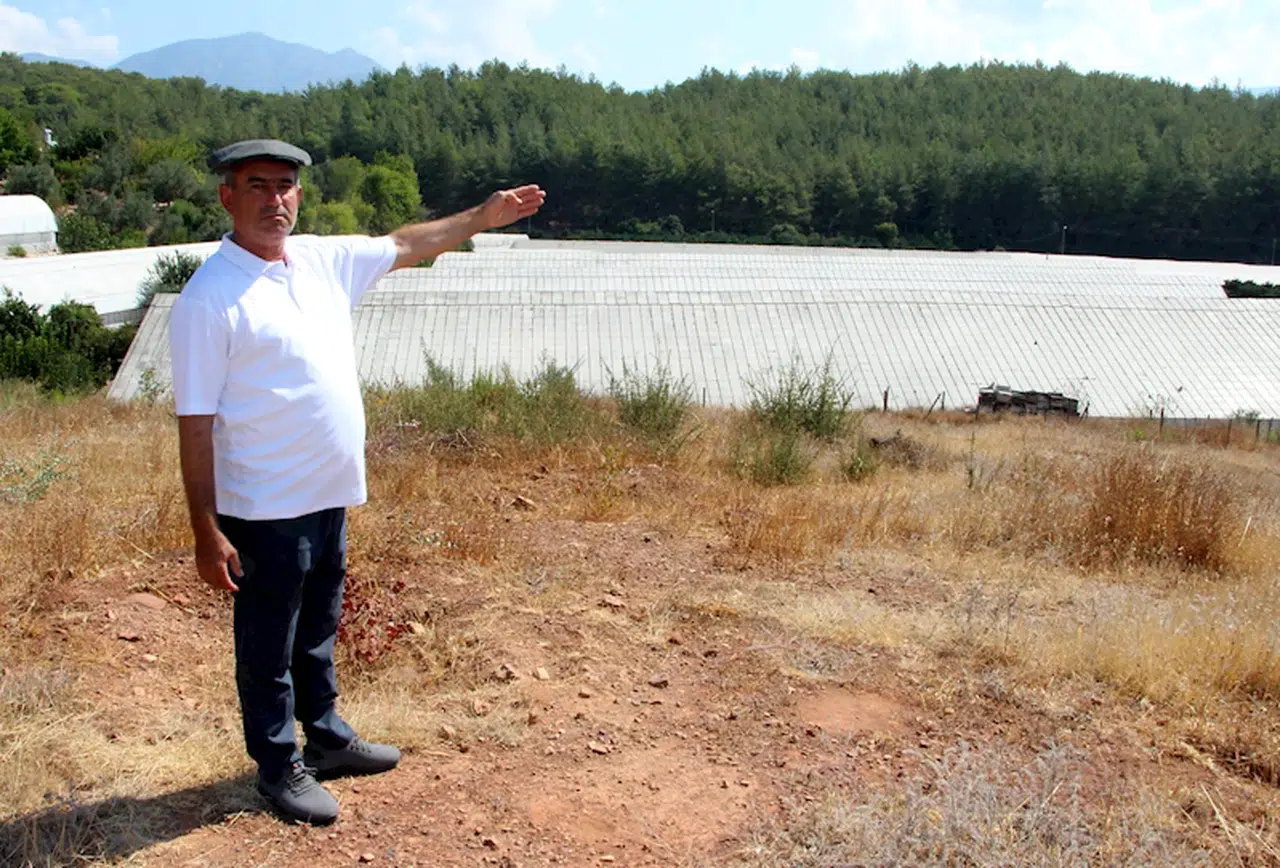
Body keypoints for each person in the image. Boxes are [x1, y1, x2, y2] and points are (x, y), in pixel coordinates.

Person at [169, 138, 546, 825]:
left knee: (317, 626)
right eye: (257, 185)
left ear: (299, 196)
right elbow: (194, 425)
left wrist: (481, 217)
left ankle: (328, 738)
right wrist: (204, 528)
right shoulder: (208, 298)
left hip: (326, 493)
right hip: (264, 507)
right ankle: (278, 768)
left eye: (285, 186)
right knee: (268, 646)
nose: (273, 199)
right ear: (227, 195)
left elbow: (405, 243)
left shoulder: (319, 260)